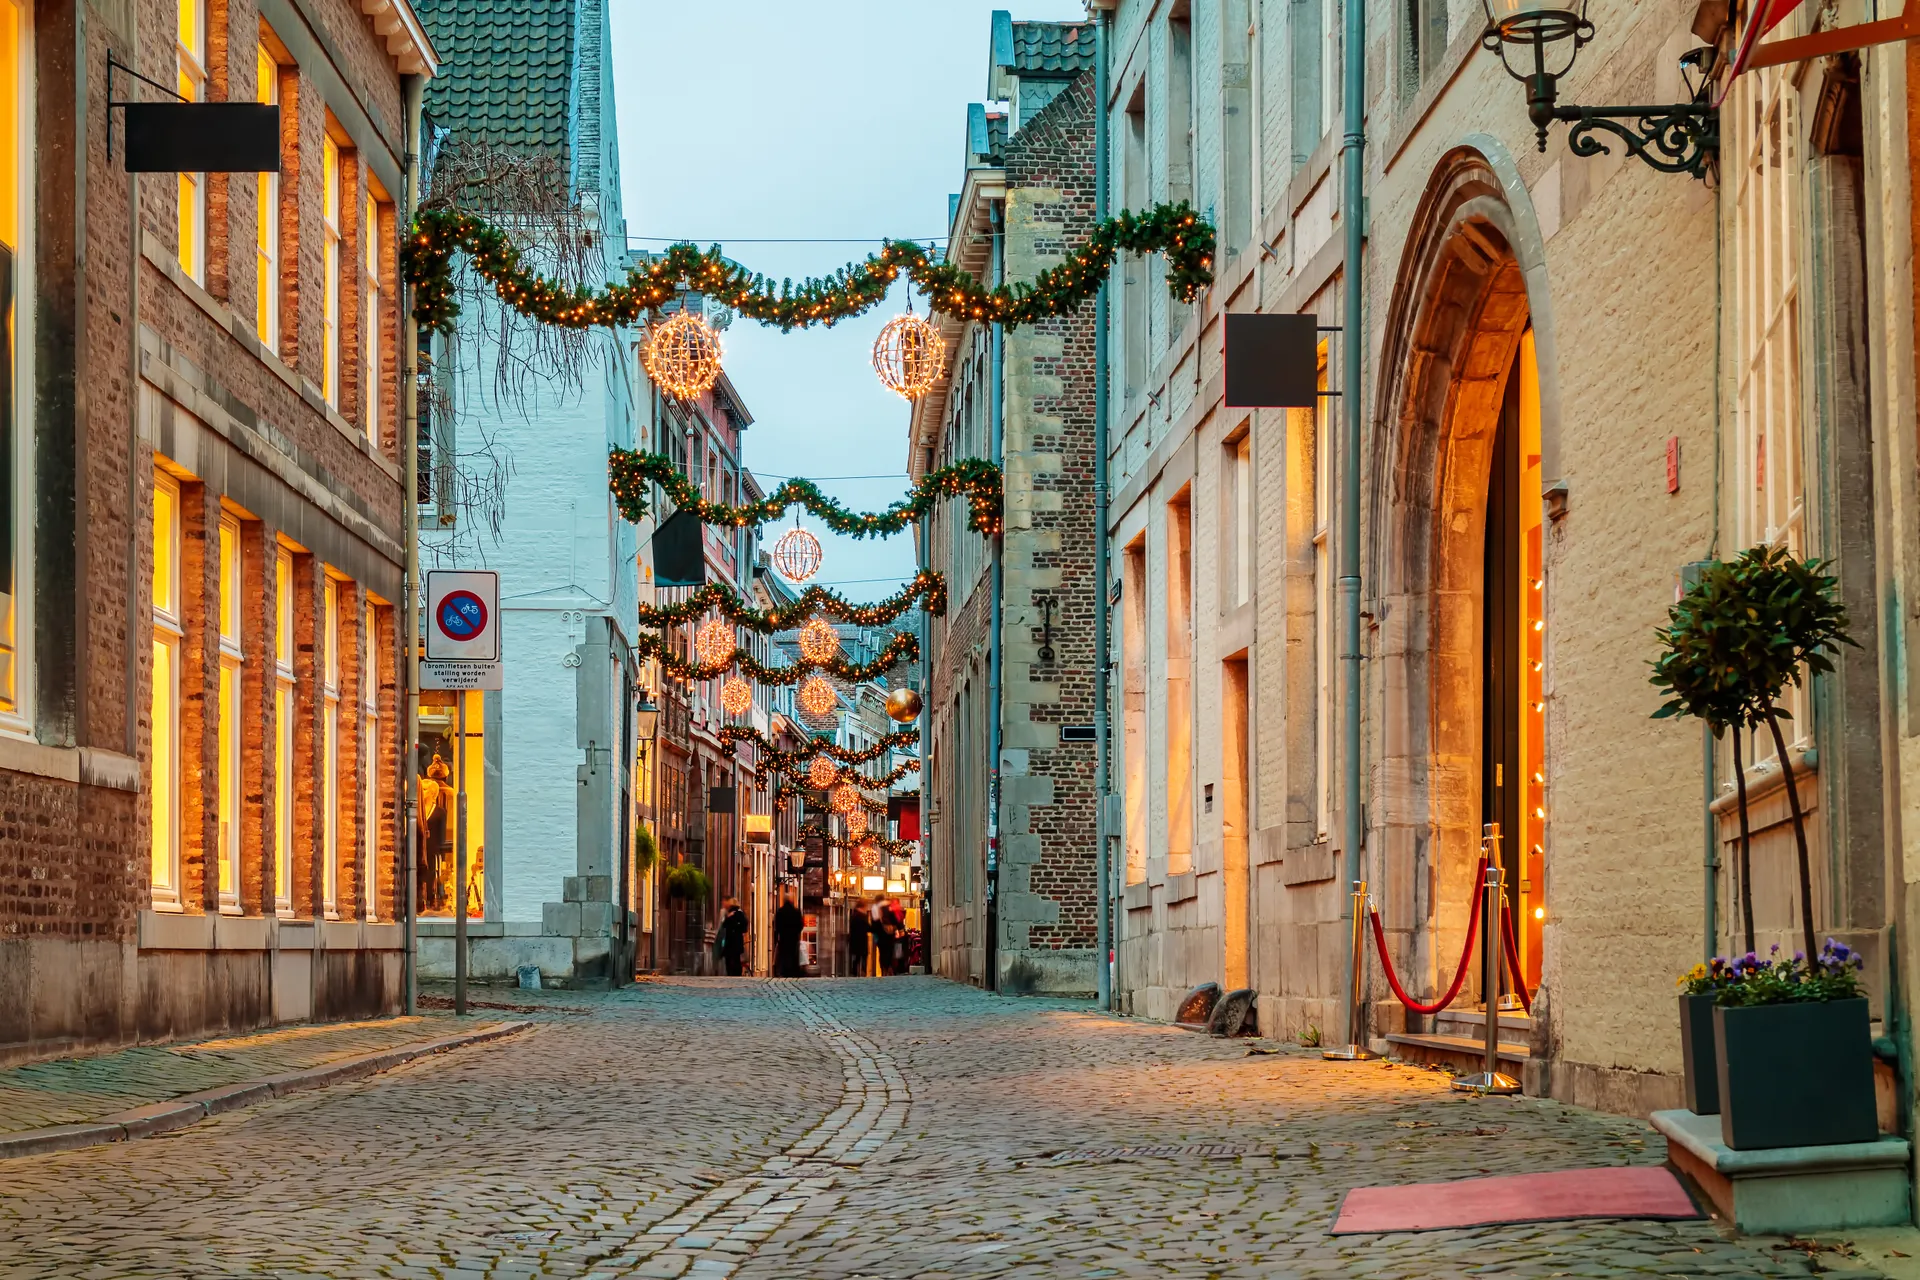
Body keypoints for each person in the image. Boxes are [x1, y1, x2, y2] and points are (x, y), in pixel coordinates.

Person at [773, 888, 805, 978]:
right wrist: (796, 932)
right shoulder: (796, 911)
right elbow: (800, 925)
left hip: (783, 937)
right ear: (792, 900)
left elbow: (777, 925)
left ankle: (784, 971)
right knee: (793, 954)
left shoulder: (780, 911)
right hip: (794, 937)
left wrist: (779, 934)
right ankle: (793, 971)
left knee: (784, 955)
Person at [718, 900, 750, 977]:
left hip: (729, 940)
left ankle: (730, 973)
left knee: (729, 958)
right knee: (736, 958)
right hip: (737, 940)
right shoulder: (740, 914)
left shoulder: (730, 914)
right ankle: (736, 974)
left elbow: (724, 925)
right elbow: (744, 928)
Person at [845, 902, 870, 977]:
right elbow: (868, 927)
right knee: (862, 957)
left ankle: (855, 972)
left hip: (855, 941)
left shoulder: (854, 915)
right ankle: (862, 972)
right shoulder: (862, 916)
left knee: (857, 958)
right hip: (861, 940)